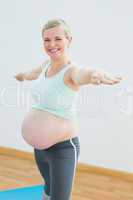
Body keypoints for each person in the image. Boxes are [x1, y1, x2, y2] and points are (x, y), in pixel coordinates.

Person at [15, 19, 122, 200]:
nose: (52, 44)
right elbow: (34, 73)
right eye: (47, 40)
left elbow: (83, 74)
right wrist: (22, 75)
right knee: (48, 190)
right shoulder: (45, 66)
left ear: (69, 40)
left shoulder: (71, 71)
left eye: (58, 38)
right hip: (40, 150)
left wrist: (95, 74)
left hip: (63, 149)